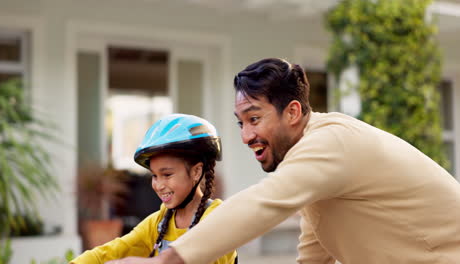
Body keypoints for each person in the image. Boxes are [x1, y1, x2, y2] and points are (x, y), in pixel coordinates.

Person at [109, 58, 460, 264]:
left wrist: (169, 260)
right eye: (240, 123)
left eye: (255, 118)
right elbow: (315, 248)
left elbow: (264, 202)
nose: (245, 136)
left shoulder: (331, 142)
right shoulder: (311, 163)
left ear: (293, 112)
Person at [70, 114, 238, 264]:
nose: (158, 185)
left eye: (167, 175)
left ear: (196, 171)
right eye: (154, 176)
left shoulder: (217, 219)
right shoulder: (159, 222)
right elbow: (112, 251)